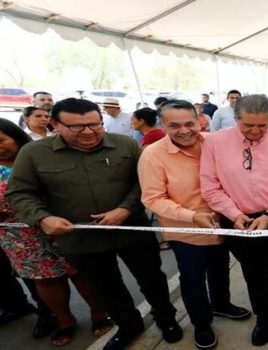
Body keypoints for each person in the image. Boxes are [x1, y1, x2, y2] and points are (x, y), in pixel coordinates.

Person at [7, 98, 181, 350]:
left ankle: (167, 319)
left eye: (95, 124)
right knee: (107, 288)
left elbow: (144, 182)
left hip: (131, 229)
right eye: (77, 127)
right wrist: (42, 218)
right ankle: (129, 326)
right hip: (81, 238)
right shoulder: (34, 153)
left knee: (152, 278)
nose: (88, 132)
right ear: (55, 124)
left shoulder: (125, 145)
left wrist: (125, 208)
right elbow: (20, 192)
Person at [139, 100, 251, 350]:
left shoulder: (213, 142)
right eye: (174, 125)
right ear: (162, 125)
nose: (184, 130)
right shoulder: (153, 155)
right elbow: (153, 198)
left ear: (199, 119)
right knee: (192, 280)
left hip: (223, 224)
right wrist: (191, 216)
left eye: (189, 123)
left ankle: (221, 304)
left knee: (220, 270)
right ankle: (202, 324)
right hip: (187, 231)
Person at [200, 94, 268, 346]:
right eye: (248, 125)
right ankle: (265, 317)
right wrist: (235, 214)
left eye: (263, 125)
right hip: (239, 219)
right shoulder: (215, 142)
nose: (256, 131)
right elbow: (210, 186)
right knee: (254, 273)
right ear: (235, 118)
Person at [0, 119, 113, 346]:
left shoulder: (41, 155)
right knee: (45, 281)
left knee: (81, 273)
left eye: (1, 141)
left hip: (63, 226)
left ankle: (99, 313)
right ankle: (64, 320)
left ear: (15, 135)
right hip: (21, 238)